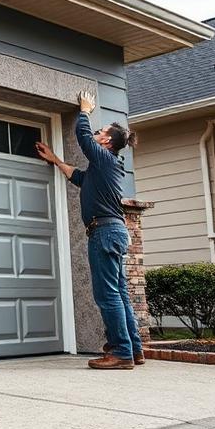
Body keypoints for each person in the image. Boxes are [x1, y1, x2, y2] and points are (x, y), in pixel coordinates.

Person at [35, 91, 144, 370]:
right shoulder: (104, 169)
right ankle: (133, 349)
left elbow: (84, 139)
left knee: (107, 294)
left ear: (106, 141)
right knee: (118, 292)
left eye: (100, 131)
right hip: (113, 231)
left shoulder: (105, 160)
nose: (95, 133)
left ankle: (121, 352)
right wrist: (56, 160)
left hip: (104, 233)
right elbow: (79, 177)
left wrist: (84, 111)